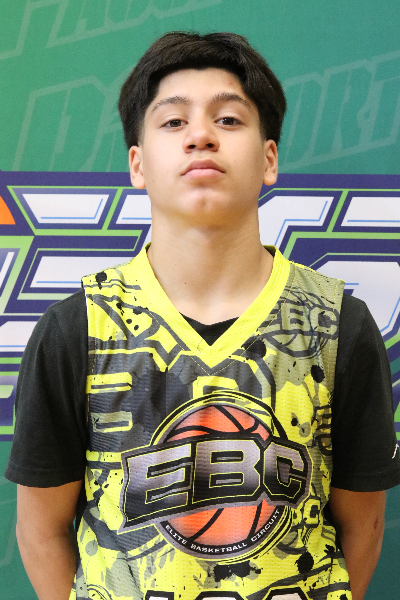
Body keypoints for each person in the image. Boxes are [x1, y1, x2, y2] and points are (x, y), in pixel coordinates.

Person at [5, 32, 400, 600]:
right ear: (138, 164)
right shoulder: (78, 328)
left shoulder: (338, 325)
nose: (201, 136)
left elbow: (365, 526)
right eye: (173, 122)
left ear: (269, 159)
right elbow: (40, 530)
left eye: (229, 119)